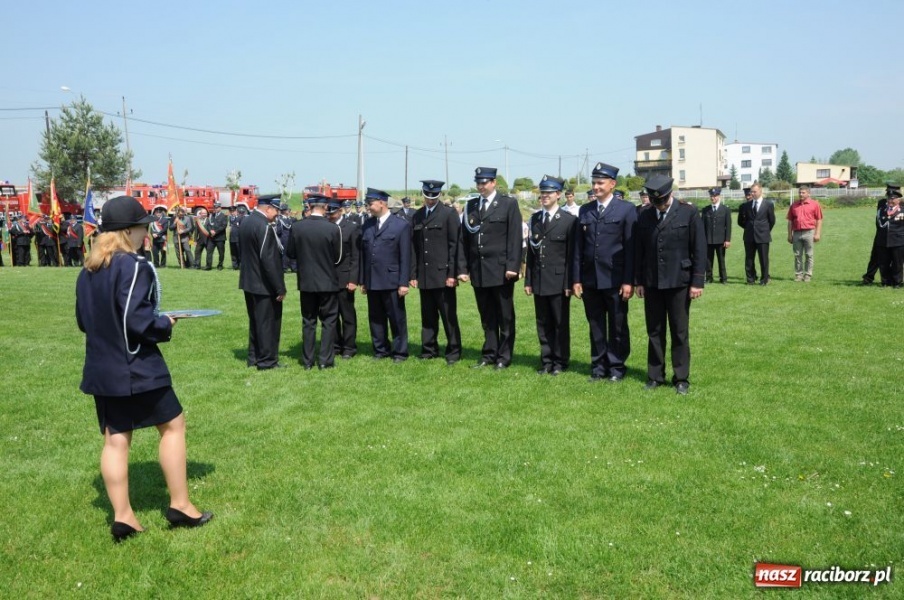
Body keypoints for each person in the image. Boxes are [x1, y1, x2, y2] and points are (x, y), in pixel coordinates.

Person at [75, 195, 212, 543]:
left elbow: (83, 322)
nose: (146, 233)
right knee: (173, 425)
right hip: (137, 365)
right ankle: (181, 505)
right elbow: (137, 321)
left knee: (116, 440)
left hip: (102, 367)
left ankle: (123, 517)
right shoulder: (135, 266)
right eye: (142, 227)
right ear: (128, 231)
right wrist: (164, 323)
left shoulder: (88, 269)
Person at [634, 175, 706, 395]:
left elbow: (699, 248)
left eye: (662, 200)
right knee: (654, 331)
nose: (660, 205)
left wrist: (697, 281)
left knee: (679, 331)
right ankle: (655, 376)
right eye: (655, 201)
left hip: (679, 282)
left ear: (670, 194)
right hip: (652, 282)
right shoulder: (644, 215)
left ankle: (681, 378)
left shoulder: (688, 212)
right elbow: (639, 250)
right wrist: (639, 281)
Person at [572, 162, 637, 383]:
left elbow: (631, 249)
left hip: (615, 279)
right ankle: (599, 367)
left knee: (618, 326)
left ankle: (617, 367)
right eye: (594, 183)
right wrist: (576, 279)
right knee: (595, 325)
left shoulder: (626, 209)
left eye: (600, 183)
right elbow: (578, 248)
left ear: (612, 184)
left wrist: (628, 281)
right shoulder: (585, 210)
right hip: (590, 279)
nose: (596, 187)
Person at [459, 167, 522, 369]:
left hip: (501, 270)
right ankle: (489, 354)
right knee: (486, 316)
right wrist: (463, 268)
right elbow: (464, 240)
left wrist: (513, 266)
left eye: (484, 182)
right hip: (479, 270)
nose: (480, 186)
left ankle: (504, 356)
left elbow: (515, 237)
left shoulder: (508, 204)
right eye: (478, 182)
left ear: (494, 182)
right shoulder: (471, 205)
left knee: (505, 316)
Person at [525, 176, 577, 376]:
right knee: (543, 323)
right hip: (539, 279)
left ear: (558, 194)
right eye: (542, 192)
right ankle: (547, 360)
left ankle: (560, 361)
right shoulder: (535, 219)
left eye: (549, 192)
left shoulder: (568, 220)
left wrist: (569, 283)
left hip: (558, 281)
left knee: (559, 323)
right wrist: (528, 280)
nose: (544, 196)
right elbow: (531, 253)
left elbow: (571, 256)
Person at [409, 179, 465, 365]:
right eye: (427, 196)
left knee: (448, 317)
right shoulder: (417, 216)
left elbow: (455, 245)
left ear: (439, 195)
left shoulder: (448, 214)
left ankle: (454, 351)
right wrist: (413, 274)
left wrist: (452, 274)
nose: (430, 200)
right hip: (425, 275)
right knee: (428, 316)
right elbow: (414, 248)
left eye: (434, 197)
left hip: (443, 276)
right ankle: (429, 349)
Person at [286, 193, 342, 370]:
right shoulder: (333, 228)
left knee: (308, 321)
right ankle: (325, 360)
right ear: (325, 207)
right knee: (329, 321)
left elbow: (291, 253)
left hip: (307, 282)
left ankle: (308, 361)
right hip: (327, 281)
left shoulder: (297, 227)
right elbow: (338, 257)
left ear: (309, 207)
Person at [359, 187, 411, 362]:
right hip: (372, 280)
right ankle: (381, 350)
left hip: (392, 280)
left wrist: (403, 282)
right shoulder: (367, 225)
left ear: (382, 203)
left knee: (396, 318)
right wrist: (363, 280)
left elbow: (405, 256)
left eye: (370, 203)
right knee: (376, 318)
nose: (368, 207)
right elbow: (364, 254)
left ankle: (400, 352)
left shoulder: (400, 225)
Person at [239, 194, 287, 370]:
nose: (277, 214)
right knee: (267, 323)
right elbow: (269, 260)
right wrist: (279, 287)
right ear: (268, 208)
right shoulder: (264, 226)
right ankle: (267, 361)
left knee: (256, 322)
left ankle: (254, 357)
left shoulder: (246, 221)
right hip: (263, 284)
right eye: (276, 210)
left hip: (249, 281)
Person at [329, 198, 360, 359]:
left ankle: (349, 347)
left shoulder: (351, 227)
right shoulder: (326, 226)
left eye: (333, 212)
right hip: (328, 278)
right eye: (328, 212)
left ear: (340, 211)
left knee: (347, 315)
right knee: (331, 315)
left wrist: (353, 279)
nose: (330, 215)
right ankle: (335, 345)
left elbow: (355, 255)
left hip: (345, 277)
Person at [737, 182, 775, 285]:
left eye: (754, 191)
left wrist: (764, 230)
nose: (752, 194)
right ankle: (750, 279)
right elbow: (741, 221)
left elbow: (772, 221)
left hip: (763, 236)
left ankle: (764, 279)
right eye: (751, 192)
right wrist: (749, 228)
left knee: (763, 259)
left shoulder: (768, 204)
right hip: (749, 236)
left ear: (760, 191)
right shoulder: (746, 205)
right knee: (749, 259)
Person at [786, 185, 823, 282]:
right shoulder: (794, 205)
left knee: (809, 255)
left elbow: (819, 219)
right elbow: (790, 221)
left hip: (809, 232)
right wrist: (789, 235)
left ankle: (808, 275)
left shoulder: (815, 204)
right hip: (797, 233)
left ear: (808, 193)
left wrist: (817, 233)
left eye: (803, 193)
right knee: (797, 255)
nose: (801, 194)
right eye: (799, 192)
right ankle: (798, 275)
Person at [862, 186, 895, 285]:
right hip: (882, 233)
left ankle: (893, 279)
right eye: (888, 193)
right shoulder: (882, 203)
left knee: (896, 258)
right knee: (876, 257)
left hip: (896, 235)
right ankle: (869, 277)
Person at [700, 187, 732, 283]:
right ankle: (709, 278)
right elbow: (702, 226)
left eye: (714, 196)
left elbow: (728, 226)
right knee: (708, 260)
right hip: (708, 239)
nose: (712, 198)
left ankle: (723, 278)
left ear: (719, 196)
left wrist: (727, 240)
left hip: (720, 240)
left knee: (721, 260)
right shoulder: (705, 210)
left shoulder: (725, 209)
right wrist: (702, 240)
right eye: (711, 196)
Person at [878, 186, 904, 287]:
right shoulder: (882, 210)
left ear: (898, 200)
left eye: (893, 199)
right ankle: (885, 282)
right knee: (883, 263)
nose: (890, 201)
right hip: (883, 241)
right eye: (889, 198)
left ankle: (897, 282)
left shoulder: (902, 210)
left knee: (897, 263)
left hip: (898, 241)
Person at [205, 201, 228, 270]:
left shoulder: (223, 216)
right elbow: (208, 224)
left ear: (220, 208)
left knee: (221, 253)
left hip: (220, 238)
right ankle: (208, 266)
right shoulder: (211, 215)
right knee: (209, 252)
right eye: (214, 207)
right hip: (211, 238)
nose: (215, 208)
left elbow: (223, 226)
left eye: (217, 207)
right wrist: (210, 231)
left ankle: (220, 265)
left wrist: (215, 232)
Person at [276, 203, 295, 272]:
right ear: (284, 211)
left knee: (292, 252)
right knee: (284, 253)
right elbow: (278, 231)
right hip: (284, 238)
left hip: (290, 238)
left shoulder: (290, 219)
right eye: (287, 210)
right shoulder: (280, 219)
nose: (289, 211)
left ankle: (293, 267)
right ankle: (284, 267)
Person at [228, 204, 244, 270]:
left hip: (238, 238)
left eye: (233, 211)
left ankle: (240, 265)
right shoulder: (230, 218)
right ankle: (235, 266)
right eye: (231, 212)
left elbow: (242, 228)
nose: (232, 213)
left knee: (239, 252)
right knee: (233, 253)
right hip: (232, 238)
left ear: (236, 211)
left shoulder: (240, 218)